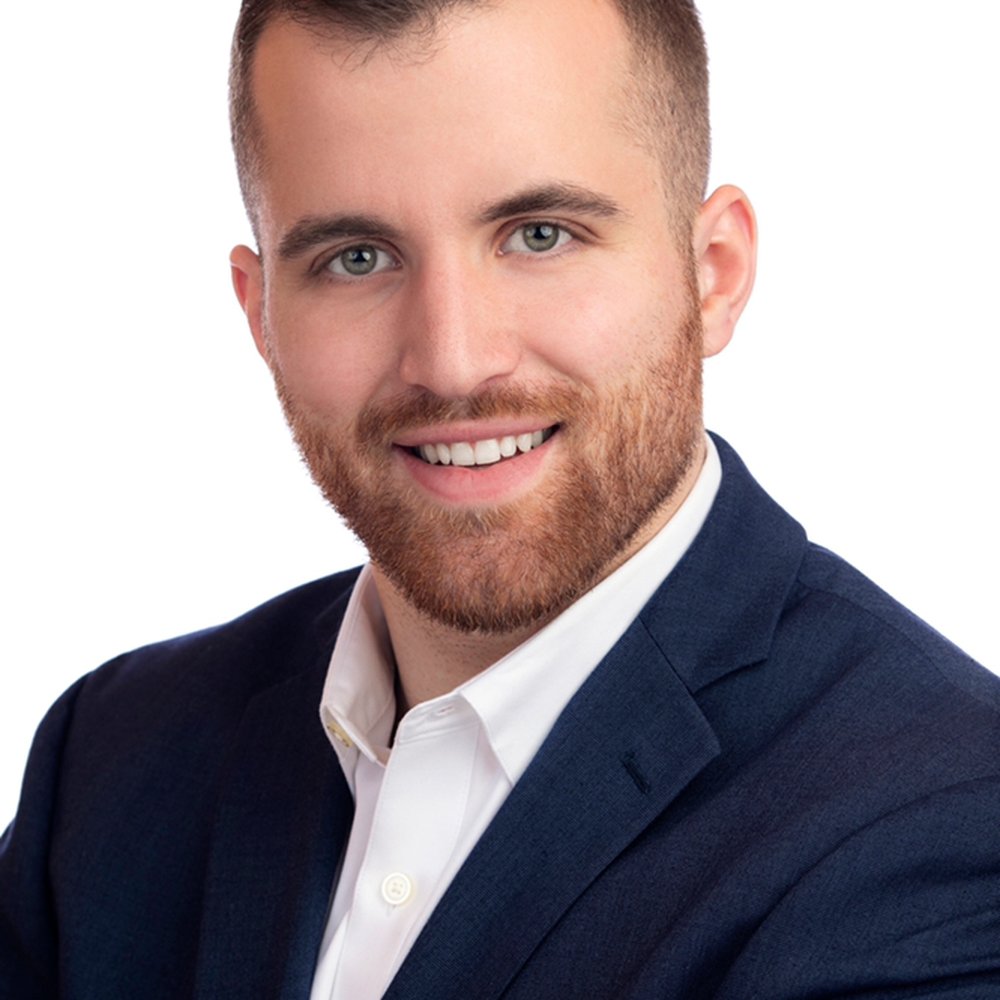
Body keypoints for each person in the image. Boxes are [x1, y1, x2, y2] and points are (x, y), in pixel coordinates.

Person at [2, 0, 998, 996]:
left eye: (539, 235)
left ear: (713, 274)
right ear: (261, 313)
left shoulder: (940, 824)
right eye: (356, 259)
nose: (452, 360)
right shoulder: (112, 760)